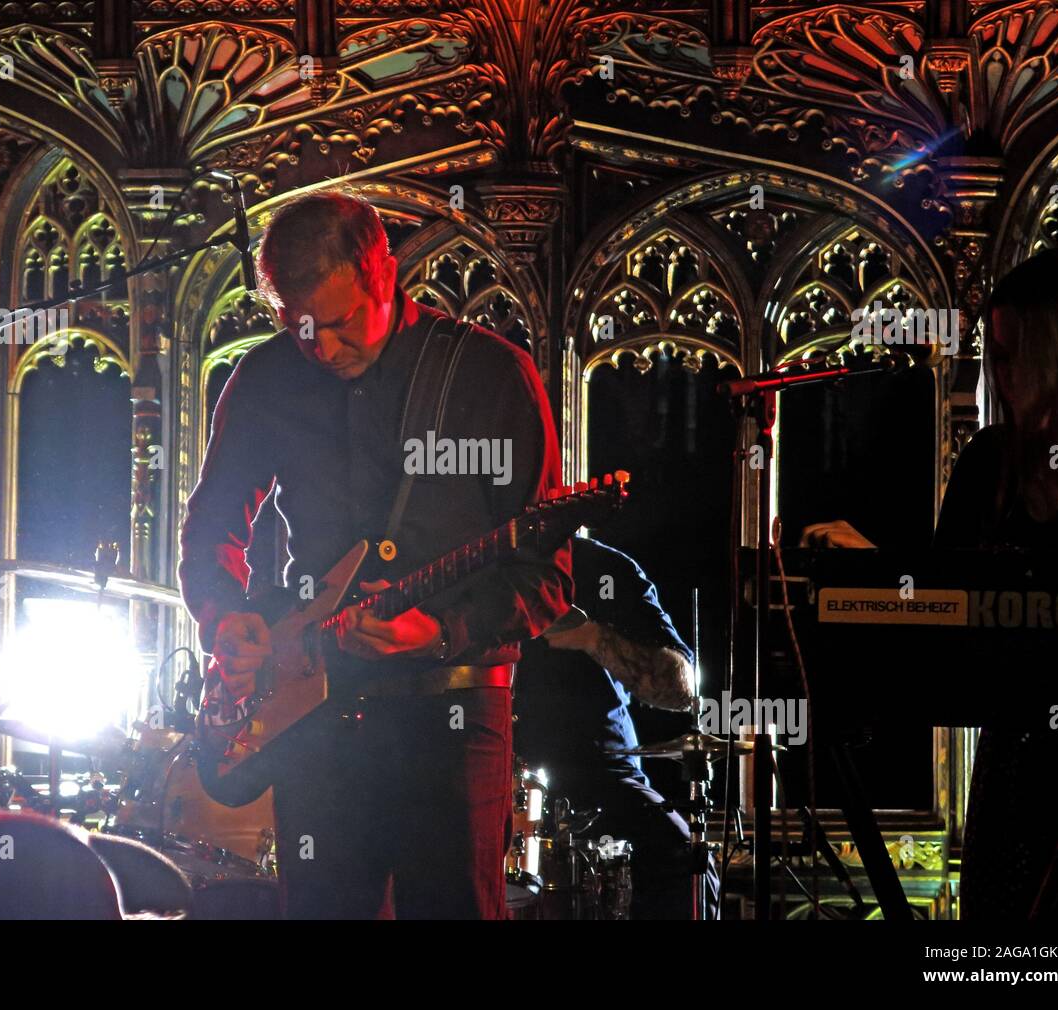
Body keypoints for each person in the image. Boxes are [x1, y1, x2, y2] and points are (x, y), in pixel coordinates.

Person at [178, 192, 571, 919]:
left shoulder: (490, 378)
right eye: (301, 329)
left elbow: (545, 578)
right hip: (316, 719)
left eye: (342, 322)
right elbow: (210, 529)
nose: (323, 348)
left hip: (451, 713)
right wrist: (225, 619)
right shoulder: (266, 378)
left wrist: (440, 631)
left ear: (383, 272)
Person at [802, 244, 1058, 919]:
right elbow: (947, 620)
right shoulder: (990, 465)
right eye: (993, 356)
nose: (999, 377)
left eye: (1014, 356)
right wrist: (875, 573)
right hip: (1014, 775)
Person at [514, 534, 717, 918]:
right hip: (483, 769)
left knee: (682, 854)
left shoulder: (601, 567)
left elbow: (681, 689)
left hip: (597, 774)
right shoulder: (464, 561)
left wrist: (594, 637)